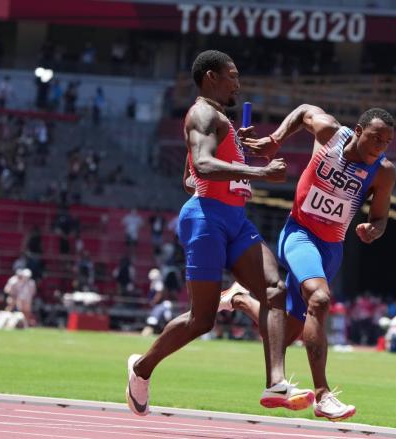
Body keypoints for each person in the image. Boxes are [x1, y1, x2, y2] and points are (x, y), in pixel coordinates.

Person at [126, 50, 313, 417]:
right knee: (202, 319)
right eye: (232, 75)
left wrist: (238, 153)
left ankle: (275, 382)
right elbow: (203, 166)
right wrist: (256, 172)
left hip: (235, 219)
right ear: (211, 76)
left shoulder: (221, 121)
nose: (237, 83)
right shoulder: (201, 114)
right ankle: (140, 369)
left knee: (276, 289)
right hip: (206, 219)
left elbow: (188, 178)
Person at [219, 104, 396, 421]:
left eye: (386, 142)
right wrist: (275, 139)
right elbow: (303, 112)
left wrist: (374, 230)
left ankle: (240, 299)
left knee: (284, 334)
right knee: (320, 298)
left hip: (332, 248)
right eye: (375, 138)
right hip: (300, 233)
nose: (379, 146)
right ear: (358, 131)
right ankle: (323, 395)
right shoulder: (330, 133)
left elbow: (380, 218)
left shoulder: (383, 171)